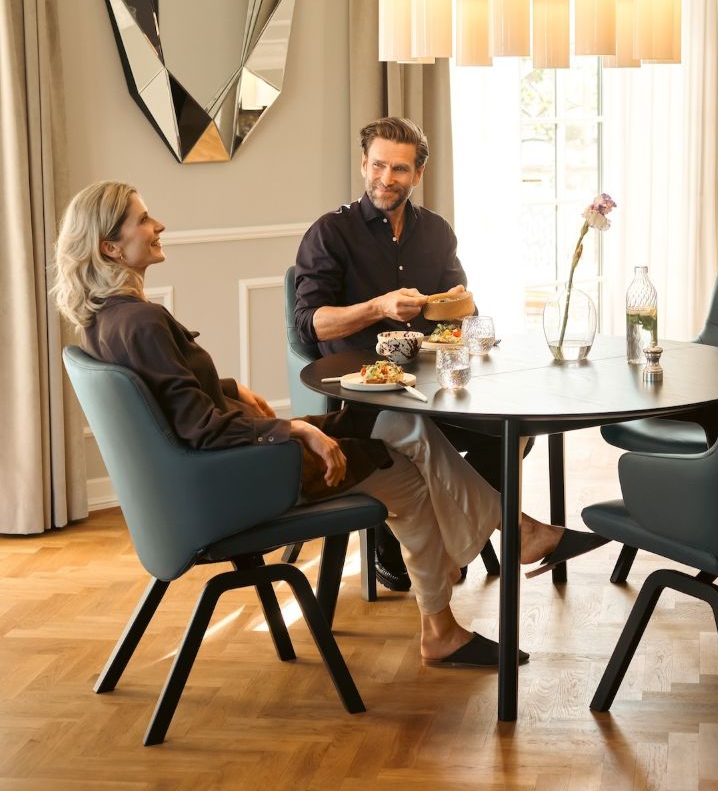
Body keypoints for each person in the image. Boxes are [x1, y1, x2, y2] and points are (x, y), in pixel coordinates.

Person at [53, 181, 605, 668]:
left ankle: (514, 537)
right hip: (244, 474)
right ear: (110, 247)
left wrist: (230, 388)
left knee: (398, 422)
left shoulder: (109, 322)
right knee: (410, 482)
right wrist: (295, 431)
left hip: (221, 468)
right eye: (143, 219)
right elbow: (199, 428)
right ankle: (462, 602)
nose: (158, 225)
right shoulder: (143, 322)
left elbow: (171, 398)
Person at [294, 117, 512, 592]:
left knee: (510, 433)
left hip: (428, 388)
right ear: (363, 165)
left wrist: (459, 307)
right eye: (378, 165)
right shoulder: (330, 232)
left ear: (418, 174)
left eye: (399, 169)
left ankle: (444, 543)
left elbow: (460, 309)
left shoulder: (436, 231)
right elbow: (310, 323)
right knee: (416, 429)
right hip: (362, 397)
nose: (386, 178)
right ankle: (409, 545)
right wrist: (379, 307)